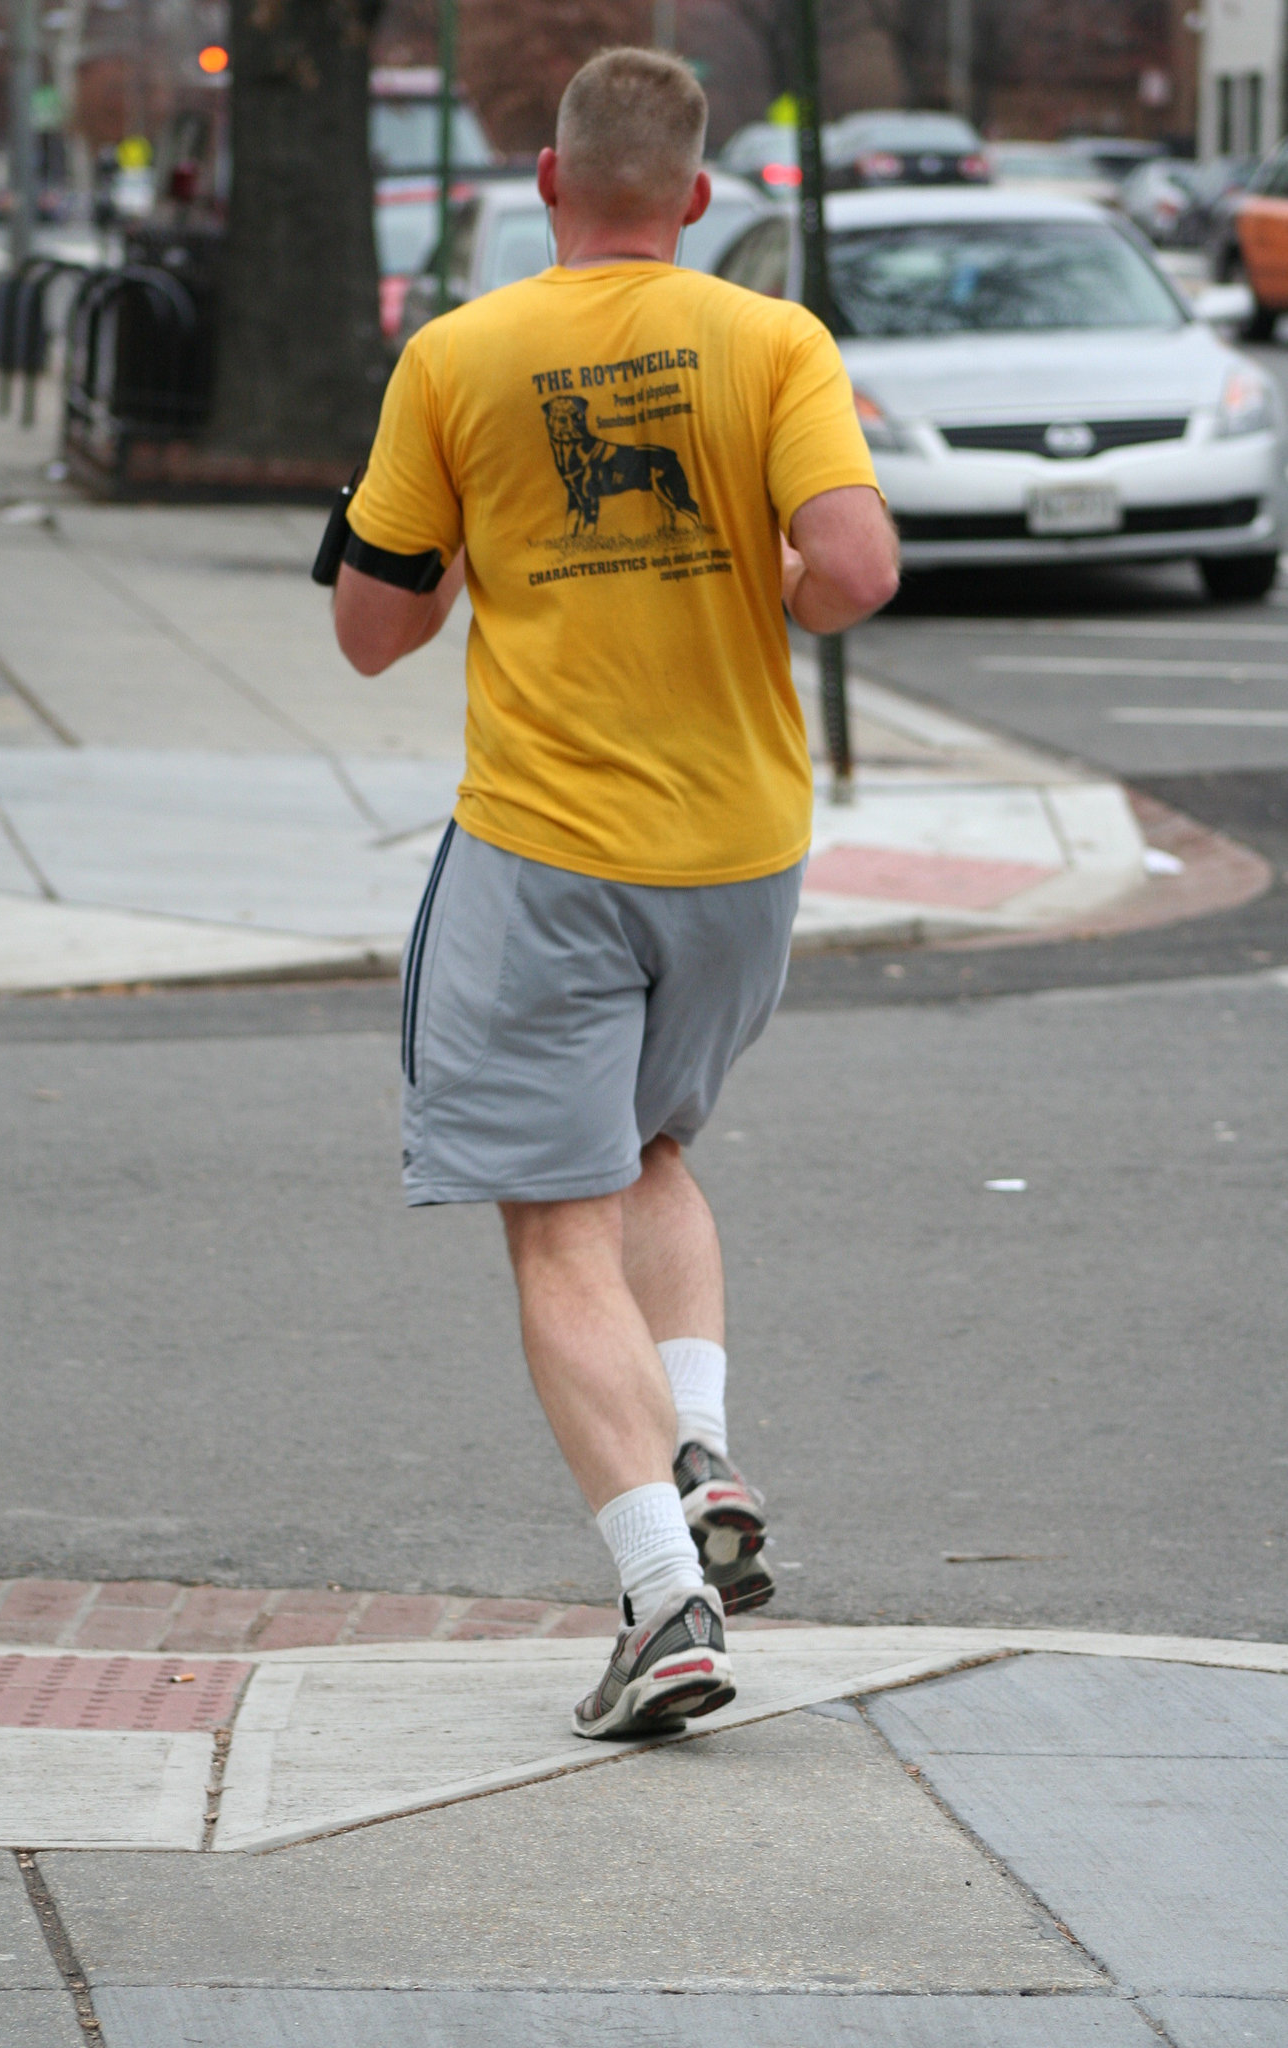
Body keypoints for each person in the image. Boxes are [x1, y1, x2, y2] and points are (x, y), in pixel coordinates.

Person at [334, 47, 898, 1739]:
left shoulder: (458, 355)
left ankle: (665, 1597)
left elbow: (375, 629)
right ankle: (701, 1439)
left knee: (553, 1218)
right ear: (697, 199)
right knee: (645, 1153)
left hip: (547, 850)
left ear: (551, 185)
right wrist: (766, 581)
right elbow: (854, 572)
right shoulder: (772, 340)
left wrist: (458, 555)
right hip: (740, 850)